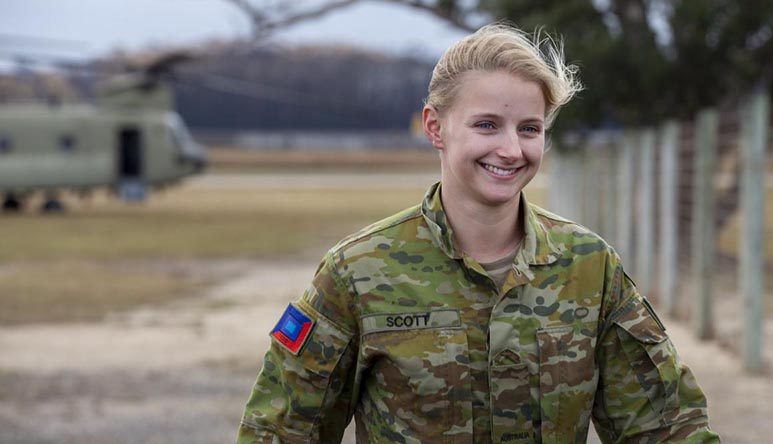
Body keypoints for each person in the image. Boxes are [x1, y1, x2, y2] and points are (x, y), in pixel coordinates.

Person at [236, 23, 720, 444]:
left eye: (529, 129)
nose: (511, 149)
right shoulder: (357, 271)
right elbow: (280, 431)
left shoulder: (590, 268)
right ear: (435, 127)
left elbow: (665, 428)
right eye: (487, 125)